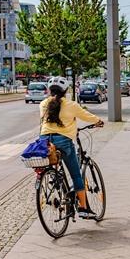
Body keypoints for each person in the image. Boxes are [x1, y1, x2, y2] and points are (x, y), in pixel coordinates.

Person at [40, 77, 103, 220]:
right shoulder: (71, 105)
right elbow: (87, 116)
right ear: (66, 90)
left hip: (44, 141)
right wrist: (99, 121)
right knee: (75, 175)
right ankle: (83, 208)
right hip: (63, 140)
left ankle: (53, 179)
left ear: (50, 90)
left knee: (53, 163)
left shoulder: (43, 104)